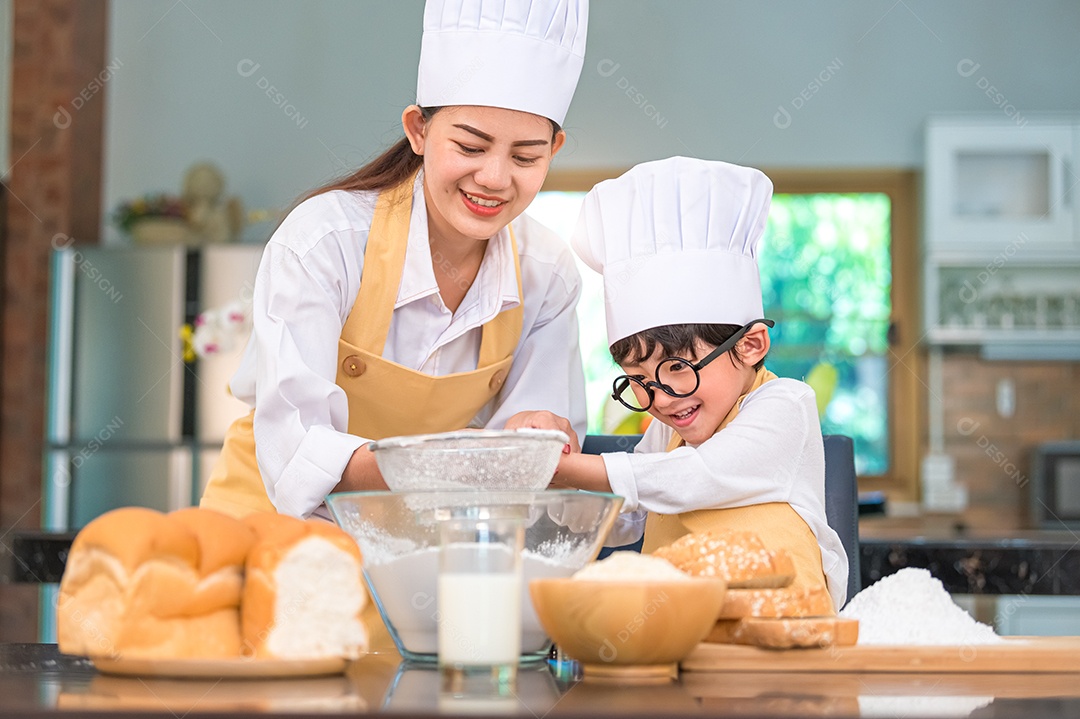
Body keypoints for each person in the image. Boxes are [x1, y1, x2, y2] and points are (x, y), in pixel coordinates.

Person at [200, 0, 589, 520]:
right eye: (471, 147)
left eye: (525, 157)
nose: (496, 178)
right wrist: (450, 463)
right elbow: (296, 453)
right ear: (419, 130)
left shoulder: (548, 272)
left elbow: (523, 464)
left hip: (414, 543)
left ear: (554, 150)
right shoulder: (327, 241)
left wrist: (541, 435)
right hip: (268, 532)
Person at [537, 156, 849, 609]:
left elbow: (696, 477)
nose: (659, 400)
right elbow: (629, 514)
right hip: (681, 633)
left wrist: (566, 466)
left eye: (677, 368)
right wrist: (553, 490)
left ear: (751, 345)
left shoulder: (786, 405)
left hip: (785, 638)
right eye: (639, 381)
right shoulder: (670, 425)